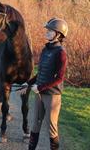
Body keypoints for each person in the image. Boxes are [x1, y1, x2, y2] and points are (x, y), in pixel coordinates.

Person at [18, 18, 68, 150]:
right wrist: (27, 84)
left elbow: (60, 78)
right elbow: (40, 73)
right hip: (39, 93)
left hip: (52, 96)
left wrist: (39, 87)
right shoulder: (45, 50)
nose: (47, 32)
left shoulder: (61, 53)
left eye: (50, 30)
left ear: (58, 34)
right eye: (47, 30)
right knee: (35, 124)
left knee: (52, 127)